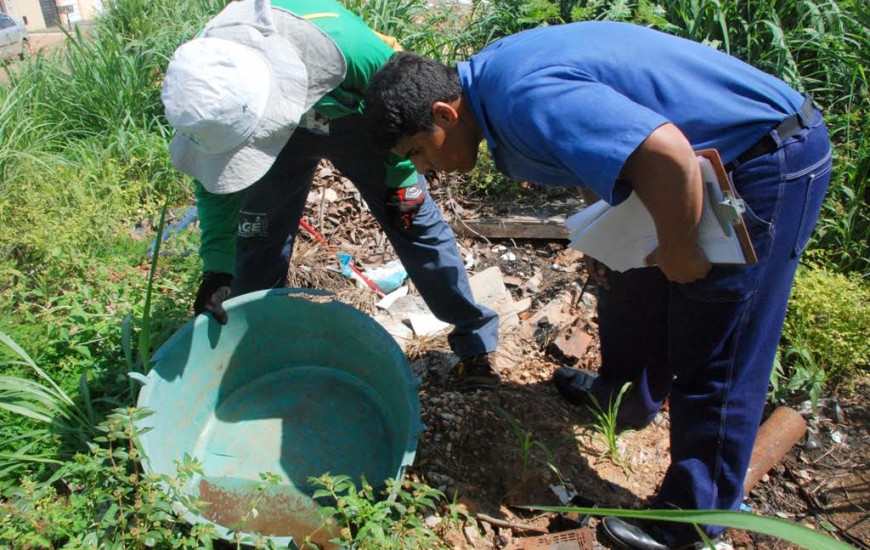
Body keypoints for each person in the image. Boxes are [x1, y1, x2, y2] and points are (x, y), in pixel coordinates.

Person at [362, 21, 831, 549]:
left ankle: (693, 519)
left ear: (444, 115)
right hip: (690, 165)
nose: (427, 170)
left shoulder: (523, 98)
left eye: (421, 154)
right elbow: (596, 151)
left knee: (717, 344)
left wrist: (679, 249)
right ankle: (625, 400)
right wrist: (603, 232)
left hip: (759, 158)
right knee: (625, 278)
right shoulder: (484, 86)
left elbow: (668, 153)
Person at [160, 0, 501, 390]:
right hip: (272, 129)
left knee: (411, 220)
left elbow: (405, 107)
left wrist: (400, 181)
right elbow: (215, 180)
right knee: (256, 237)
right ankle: (253, 352)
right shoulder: (205, 89)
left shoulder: (344, 48)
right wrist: (218, 264)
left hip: (359, 109)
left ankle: (474, 341)